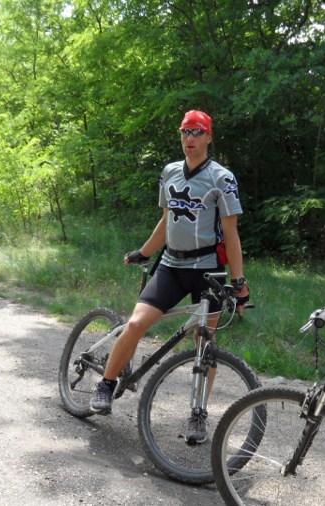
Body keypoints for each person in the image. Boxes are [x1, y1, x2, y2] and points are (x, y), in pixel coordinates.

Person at [90, 110, 251, 444]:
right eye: (184, 132)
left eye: (196, 132)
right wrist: (145, 252)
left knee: (205, 342)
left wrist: (238, 281)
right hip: (172, 266)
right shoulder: (170, 172)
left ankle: (197, 413)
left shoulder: (222, 178)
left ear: (209, 137)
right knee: (136, 324)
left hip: (208, 271)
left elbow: (232, 234)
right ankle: (105, 384)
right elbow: (167, 220)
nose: (189, 139)